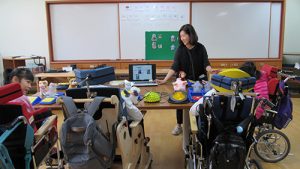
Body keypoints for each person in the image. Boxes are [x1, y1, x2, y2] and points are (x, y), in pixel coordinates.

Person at [156, 24, 215, 135]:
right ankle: (179, 125)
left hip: (199, 82)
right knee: (179, 102)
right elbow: (175, 66)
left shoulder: (201, 48)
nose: (182, 38)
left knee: (198, 103)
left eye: (184, 36)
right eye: (181, 36)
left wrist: (210, 70)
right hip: (184, 82)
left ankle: (198, 124)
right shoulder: (180, 49)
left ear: (190, 35)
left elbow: (206, 64)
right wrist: (164, 80)